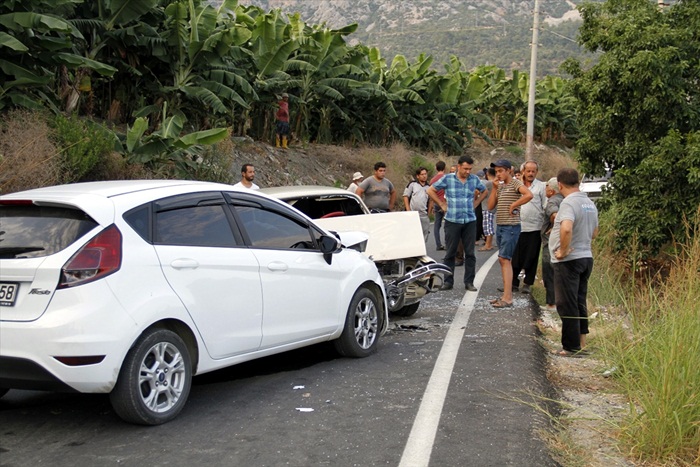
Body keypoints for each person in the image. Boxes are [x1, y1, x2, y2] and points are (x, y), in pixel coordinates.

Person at [549, 168, 599, 356]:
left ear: (560, 185)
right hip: (586, 256)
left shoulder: (568, 203)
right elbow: (594, 232)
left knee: (566, 303)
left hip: (569, 260)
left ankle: (570, 347)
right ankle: (581, 342)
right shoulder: (589, 203)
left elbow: (567, 228)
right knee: (579, 301)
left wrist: (562, 250)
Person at [427, 155, 487, 292]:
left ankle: (469, 282)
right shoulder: (448, 179)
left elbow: (484, 190)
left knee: (470, 253)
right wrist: (441, 204)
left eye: (470, 169)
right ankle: (448, 281)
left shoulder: (474, 179)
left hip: (469, 220)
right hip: (452, 220)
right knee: (450, 252)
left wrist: (476, 203)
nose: (467, 172)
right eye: (465, 168)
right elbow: (431, 190)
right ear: (459, 166)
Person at [487, 159, 533, 308]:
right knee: (503, 260)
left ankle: (508, 298)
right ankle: (505, 295)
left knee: (504, 259)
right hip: (501, 225)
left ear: (508, 171)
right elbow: (490, 206)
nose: (498, 174)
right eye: (496, 172)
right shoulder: (500, 186)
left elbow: (528, 195)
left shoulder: (515, 183)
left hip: (511, 226)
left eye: (501, 171)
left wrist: (514, 204)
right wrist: (494, 189)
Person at [510, 160, 547, 294]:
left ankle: (527, 284)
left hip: (535, 227)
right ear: (523, 172)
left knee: (531, 257)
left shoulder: (541, 186)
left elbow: (545, 205)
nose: (530, 174)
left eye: (533, 171)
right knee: (515, 257)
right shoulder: (517, 185)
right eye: (528, 171)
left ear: (536, 172)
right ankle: (513, 283)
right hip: (517, 226)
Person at [540, 177, 564, 312]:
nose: (545, 189)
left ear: (552, 190)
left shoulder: (553, 200)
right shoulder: (567, 199)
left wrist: (557, 226)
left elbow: (554, 215)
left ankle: (551, 304)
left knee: (549, 271)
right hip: (564, 241)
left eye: (547, 186)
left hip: (550, 242)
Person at [403, 166, 431, 242]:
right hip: (413, 214)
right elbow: (406, 196)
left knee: (424, 235)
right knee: (412, 234)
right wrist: (408, 210)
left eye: (425, 174)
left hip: (423, 214)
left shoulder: (429, 187)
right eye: (422, 174)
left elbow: (431, 200)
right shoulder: (412, 184)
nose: (424, 176)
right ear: (418, 176)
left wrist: (428, 213)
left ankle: (422, 251)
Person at [429, 161, 447, 250]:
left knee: (437, 225)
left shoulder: (432, 180)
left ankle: (438, 244)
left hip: (436, 203)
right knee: (447, 225)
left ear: (436, 168)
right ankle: (447, 243)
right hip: (445, 203)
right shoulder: (446, 178)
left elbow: (431, 193)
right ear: (444, 168)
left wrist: (432, 205)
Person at [478, 167, 497, 251]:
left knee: (487, 226)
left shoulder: (489, 183)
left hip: (486, 207)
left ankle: (488, 244)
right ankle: (489, 243)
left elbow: (478, 191)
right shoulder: (495, 183)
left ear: (487, 174)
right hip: (492, 207)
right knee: (489, 225)